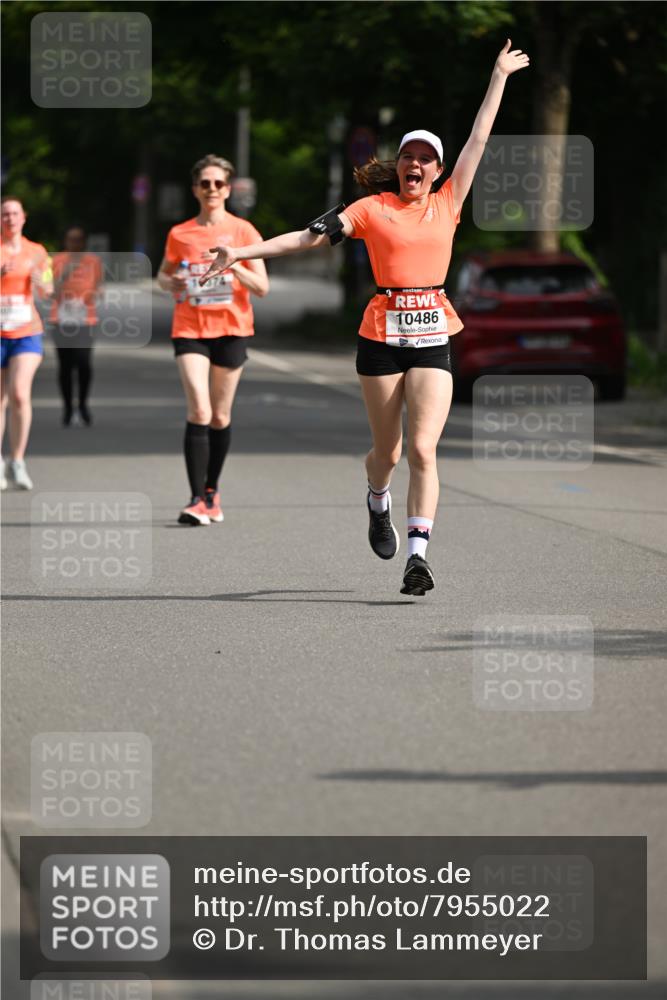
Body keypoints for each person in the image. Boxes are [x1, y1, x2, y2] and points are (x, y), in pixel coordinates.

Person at [201, 40, 529, 593]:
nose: (415, 165)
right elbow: (307, 238)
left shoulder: (448, 202)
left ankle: (418, 556)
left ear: (438, 170)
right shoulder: (371, 209)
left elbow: (479, 138)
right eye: (407, 157)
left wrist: (497, 76)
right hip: (381, 335)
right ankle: (378, 500)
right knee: (388, 451)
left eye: (425, 159)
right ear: (397, 165)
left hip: (433, 332)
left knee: (422, 448)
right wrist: (241, 253)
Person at [157, 154, 269, 525]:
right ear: (195, 189)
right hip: (190, 328)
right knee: (199, 411)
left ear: (228, 189)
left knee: (220, 415)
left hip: (232, 329)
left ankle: (211, 492)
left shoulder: (244, 231)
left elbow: (262, 287)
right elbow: (163, 275)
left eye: (218, 183)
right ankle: (195, 500)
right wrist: (170, 282)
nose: (212, 189)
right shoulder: (180, 233)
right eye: (205, 183)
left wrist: (233, 266)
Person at [1, 196, 53, 490]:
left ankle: (17, 460)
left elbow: (48, 290)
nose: (10, 218)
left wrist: (41, 283)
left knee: (20, 394)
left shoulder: (37, 251)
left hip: (26, 332)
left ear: (24, 217)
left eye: (14, 213)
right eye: (5, 214)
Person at [50, 225, 103, 426]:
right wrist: (65, 274)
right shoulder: (55, 261)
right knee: (65, 366)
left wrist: (94, 294)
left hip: (85, 319)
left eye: (78, 239)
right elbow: (50, 291)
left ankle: (82, 404)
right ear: (65, 241)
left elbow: (99, 286)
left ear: (84, 242)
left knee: (83, 363)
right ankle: (67, 407)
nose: (75, 243)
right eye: (71, 239)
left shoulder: (93, 261)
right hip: (61, 319)